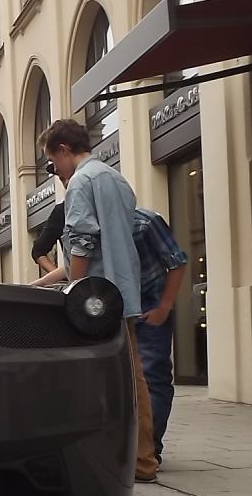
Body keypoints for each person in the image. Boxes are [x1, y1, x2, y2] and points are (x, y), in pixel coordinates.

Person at [30, 168, 190, 468]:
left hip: (151, 309)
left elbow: (177, 262)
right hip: (116, 313)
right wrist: (35, 287)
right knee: (124, 381)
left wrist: (165, 307)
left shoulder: (146, 222)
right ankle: (136, 449)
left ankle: (149, 449)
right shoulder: (98, 229)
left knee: (152, 376)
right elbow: (73, 266)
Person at [34, 118, 158, 483]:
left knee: (95, 380)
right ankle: (143, 459)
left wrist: (75, 286)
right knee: (133, 379)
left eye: (53, 163)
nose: (55, 171)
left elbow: (83, 241)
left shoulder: (81, 182)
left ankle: (120, 459)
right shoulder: (116, 178)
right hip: (122, 293)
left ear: (64, 150)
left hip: (95, 302)